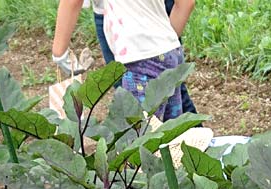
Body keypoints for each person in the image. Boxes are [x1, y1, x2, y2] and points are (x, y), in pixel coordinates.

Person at [52, 0, 196, 120]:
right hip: (169, 49)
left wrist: (60, 53)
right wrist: (162, 44)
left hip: (139, 60)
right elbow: (186, 3)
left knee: (138, 134)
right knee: (173, 132)